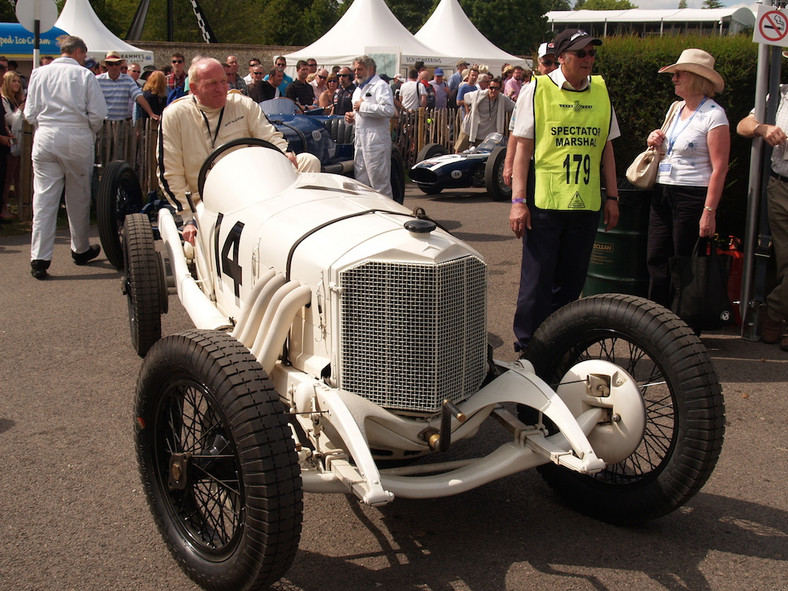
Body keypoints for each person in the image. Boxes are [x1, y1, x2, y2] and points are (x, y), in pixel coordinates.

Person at [508, 29, 620, 351]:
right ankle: (528, 350)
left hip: (586, 203)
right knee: (537, 285)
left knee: (571, 284)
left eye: (592, 53)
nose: (589, 59)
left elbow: (607, 150)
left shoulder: (600, 90)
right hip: (545, 203)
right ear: (562, 57)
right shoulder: (537, 90)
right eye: (581, 53)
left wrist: (612, 197)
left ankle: (560, 345)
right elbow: (523, 150)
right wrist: (518, 201)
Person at [157, 57, 320, 245]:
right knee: (192, 246)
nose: (221, 89)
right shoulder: (175, 115)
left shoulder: (243, 104)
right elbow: (170, 171)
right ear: (193, 88)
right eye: (211, 84)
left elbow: (270, 136)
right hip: (205, 200)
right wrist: (187, 217)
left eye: (223, 81)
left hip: (252, 188)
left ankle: (304, 229)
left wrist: (285, 153)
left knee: (308, 160)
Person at [644, 49, 729, 312]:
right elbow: (669, 147)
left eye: (679, 74)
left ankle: (684, 324)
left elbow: (720, 168)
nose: (674, 79)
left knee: (685, 263)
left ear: (695, 77)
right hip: (663, 191)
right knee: (656, 258)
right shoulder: (675, 108)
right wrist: (654, 138)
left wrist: (709, 212)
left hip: (692, 196)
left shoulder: (714, 115)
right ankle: (656, 323)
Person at [24, 35, 108, 279]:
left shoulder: (38, 74)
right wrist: (87, 131)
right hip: (75, 135)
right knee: (78, 196)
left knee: (43, 199)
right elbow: (98, 113)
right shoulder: (84, 76)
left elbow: (30, 113)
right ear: (79, 52)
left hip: (45, 135)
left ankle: (39, 258)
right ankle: (80, 248)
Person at [737, 56, 788, 350]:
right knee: (785, 258)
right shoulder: (779, 94)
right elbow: (744, 125)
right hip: (781, 186)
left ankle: (775, 312)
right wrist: (763, 128)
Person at [344, 55, 395, 200]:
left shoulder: (381, 86)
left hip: (376, 142)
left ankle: (388, 215)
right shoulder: (357, 90)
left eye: (360, 69)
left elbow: (388, 110)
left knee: (379, 184)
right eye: (355, 70)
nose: (356, 73)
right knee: (361, 184)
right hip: (360, 141)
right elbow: (359, 114)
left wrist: (363, 106)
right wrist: (350, 118)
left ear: (371, 69)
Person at [454, 77, 514, 153]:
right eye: (491, 88)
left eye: (496, 88)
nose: (493, 91)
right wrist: (467, 111)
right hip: (470, 127)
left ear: (500, 89)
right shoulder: (478, 95)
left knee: (479, 155)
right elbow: (466, 98)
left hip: (486, 133)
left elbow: (515, 107)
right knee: (459, 151)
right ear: (488, 87)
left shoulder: (503, 99)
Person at [97, 51, 158, 121]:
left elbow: (139, 97)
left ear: (120, 65)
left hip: (121, 123)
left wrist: (151, 113)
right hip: (103, 122)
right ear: (106, 66)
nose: (114, 67)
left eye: (117, 64)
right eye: (111, 64)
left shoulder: (128, 80)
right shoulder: (98, 80)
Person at [1, 71, 24, 220]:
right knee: (7, 177)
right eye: (13, 81)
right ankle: (3, 208)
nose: (17, 84)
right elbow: (10, 119)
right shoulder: (4, 100)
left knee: (18, 176)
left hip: (17, 140)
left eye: (18, 81)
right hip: (8, 142)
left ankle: (21, 207)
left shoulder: (15, 100)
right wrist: (21, 109)